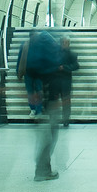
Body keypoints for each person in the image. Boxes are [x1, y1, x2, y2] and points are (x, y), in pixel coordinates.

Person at [24, 30, 62, 181]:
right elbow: (55, 68)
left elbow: (30, 69)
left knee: (47, 132)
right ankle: (42, 169)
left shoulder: (34, 46)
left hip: (42, 91)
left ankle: (42, 166)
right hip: (50, 94)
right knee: (52, 133)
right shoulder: (49, 43)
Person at [55, 36, 79, 127]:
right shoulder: (55, 54)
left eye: (67, 43)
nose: (65, 44)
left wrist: (65, 68)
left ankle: (66, 119)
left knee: (66, 101)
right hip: (55, 81)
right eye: (64, 42)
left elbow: (76, 66)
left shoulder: (72, 54)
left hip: (66, 81)